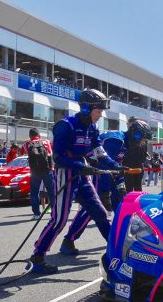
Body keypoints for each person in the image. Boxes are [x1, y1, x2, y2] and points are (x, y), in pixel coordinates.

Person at [29, 89, 122, 274]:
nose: (101, 115)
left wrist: (117, 166)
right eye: (98, 111)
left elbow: (99, 152)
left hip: (81, 175)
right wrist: (81, 166)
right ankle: (37, 256)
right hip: (65, 175)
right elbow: (58, 157)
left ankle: (118, 253)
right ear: (86, 108)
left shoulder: (92, 128)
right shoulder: (65, 126)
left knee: (100, 213)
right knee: (59, 220)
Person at [20, 128, 56, 220]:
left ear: (30, 136)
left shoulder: (27, 144)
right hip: (48, 169)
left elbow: (20, 153)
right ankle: (55, 213)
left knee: (34, 192)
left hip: (35, 171)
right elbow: (54, 150)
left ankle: (36, 214)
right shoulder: (47, 141)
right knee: (52, 192)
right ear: (39, 135)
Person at [122, 118, 152, 192]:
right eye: (130, 124)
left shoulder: (142, 138)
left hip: (138, 165)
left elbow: (144, 153)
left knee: (138, 187)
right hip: (127, 165)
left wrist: (143, 162)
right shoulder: (124, 136)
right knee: (128, 188)